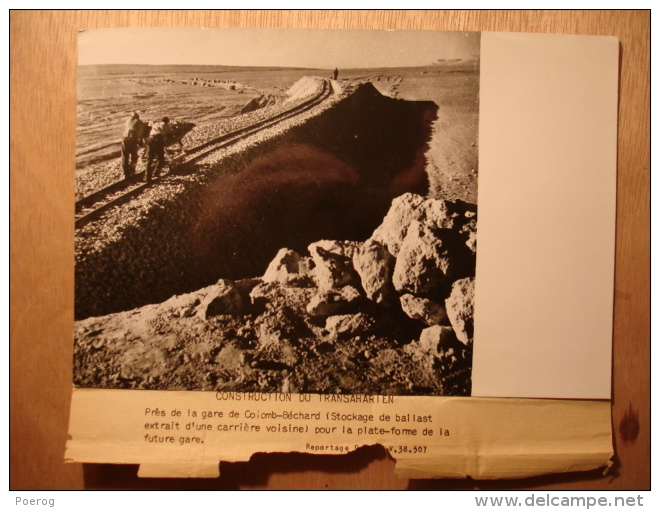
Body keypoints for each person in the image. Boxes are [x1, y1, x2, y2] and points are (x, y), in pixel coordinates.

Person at [145, 116, 170, 183]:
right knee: (161, 158)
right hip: (158, 140)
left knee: (149, 160)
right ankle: (156, 172)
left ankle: (147, 178)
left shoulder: (155, 124)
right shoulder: (166, 125)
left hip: (149, 140)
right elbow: (169, 134)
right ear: (167, 121)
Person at [121, 112, 145, 180]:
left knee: (125, 157)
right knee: (134, 156)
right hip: (132, 140)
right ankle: (132, 170)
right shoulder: (139, 122)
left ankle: (126, 173)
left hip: (124, 140)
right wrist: (140, 141)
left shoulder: (128, 121)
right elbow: (140, 132)